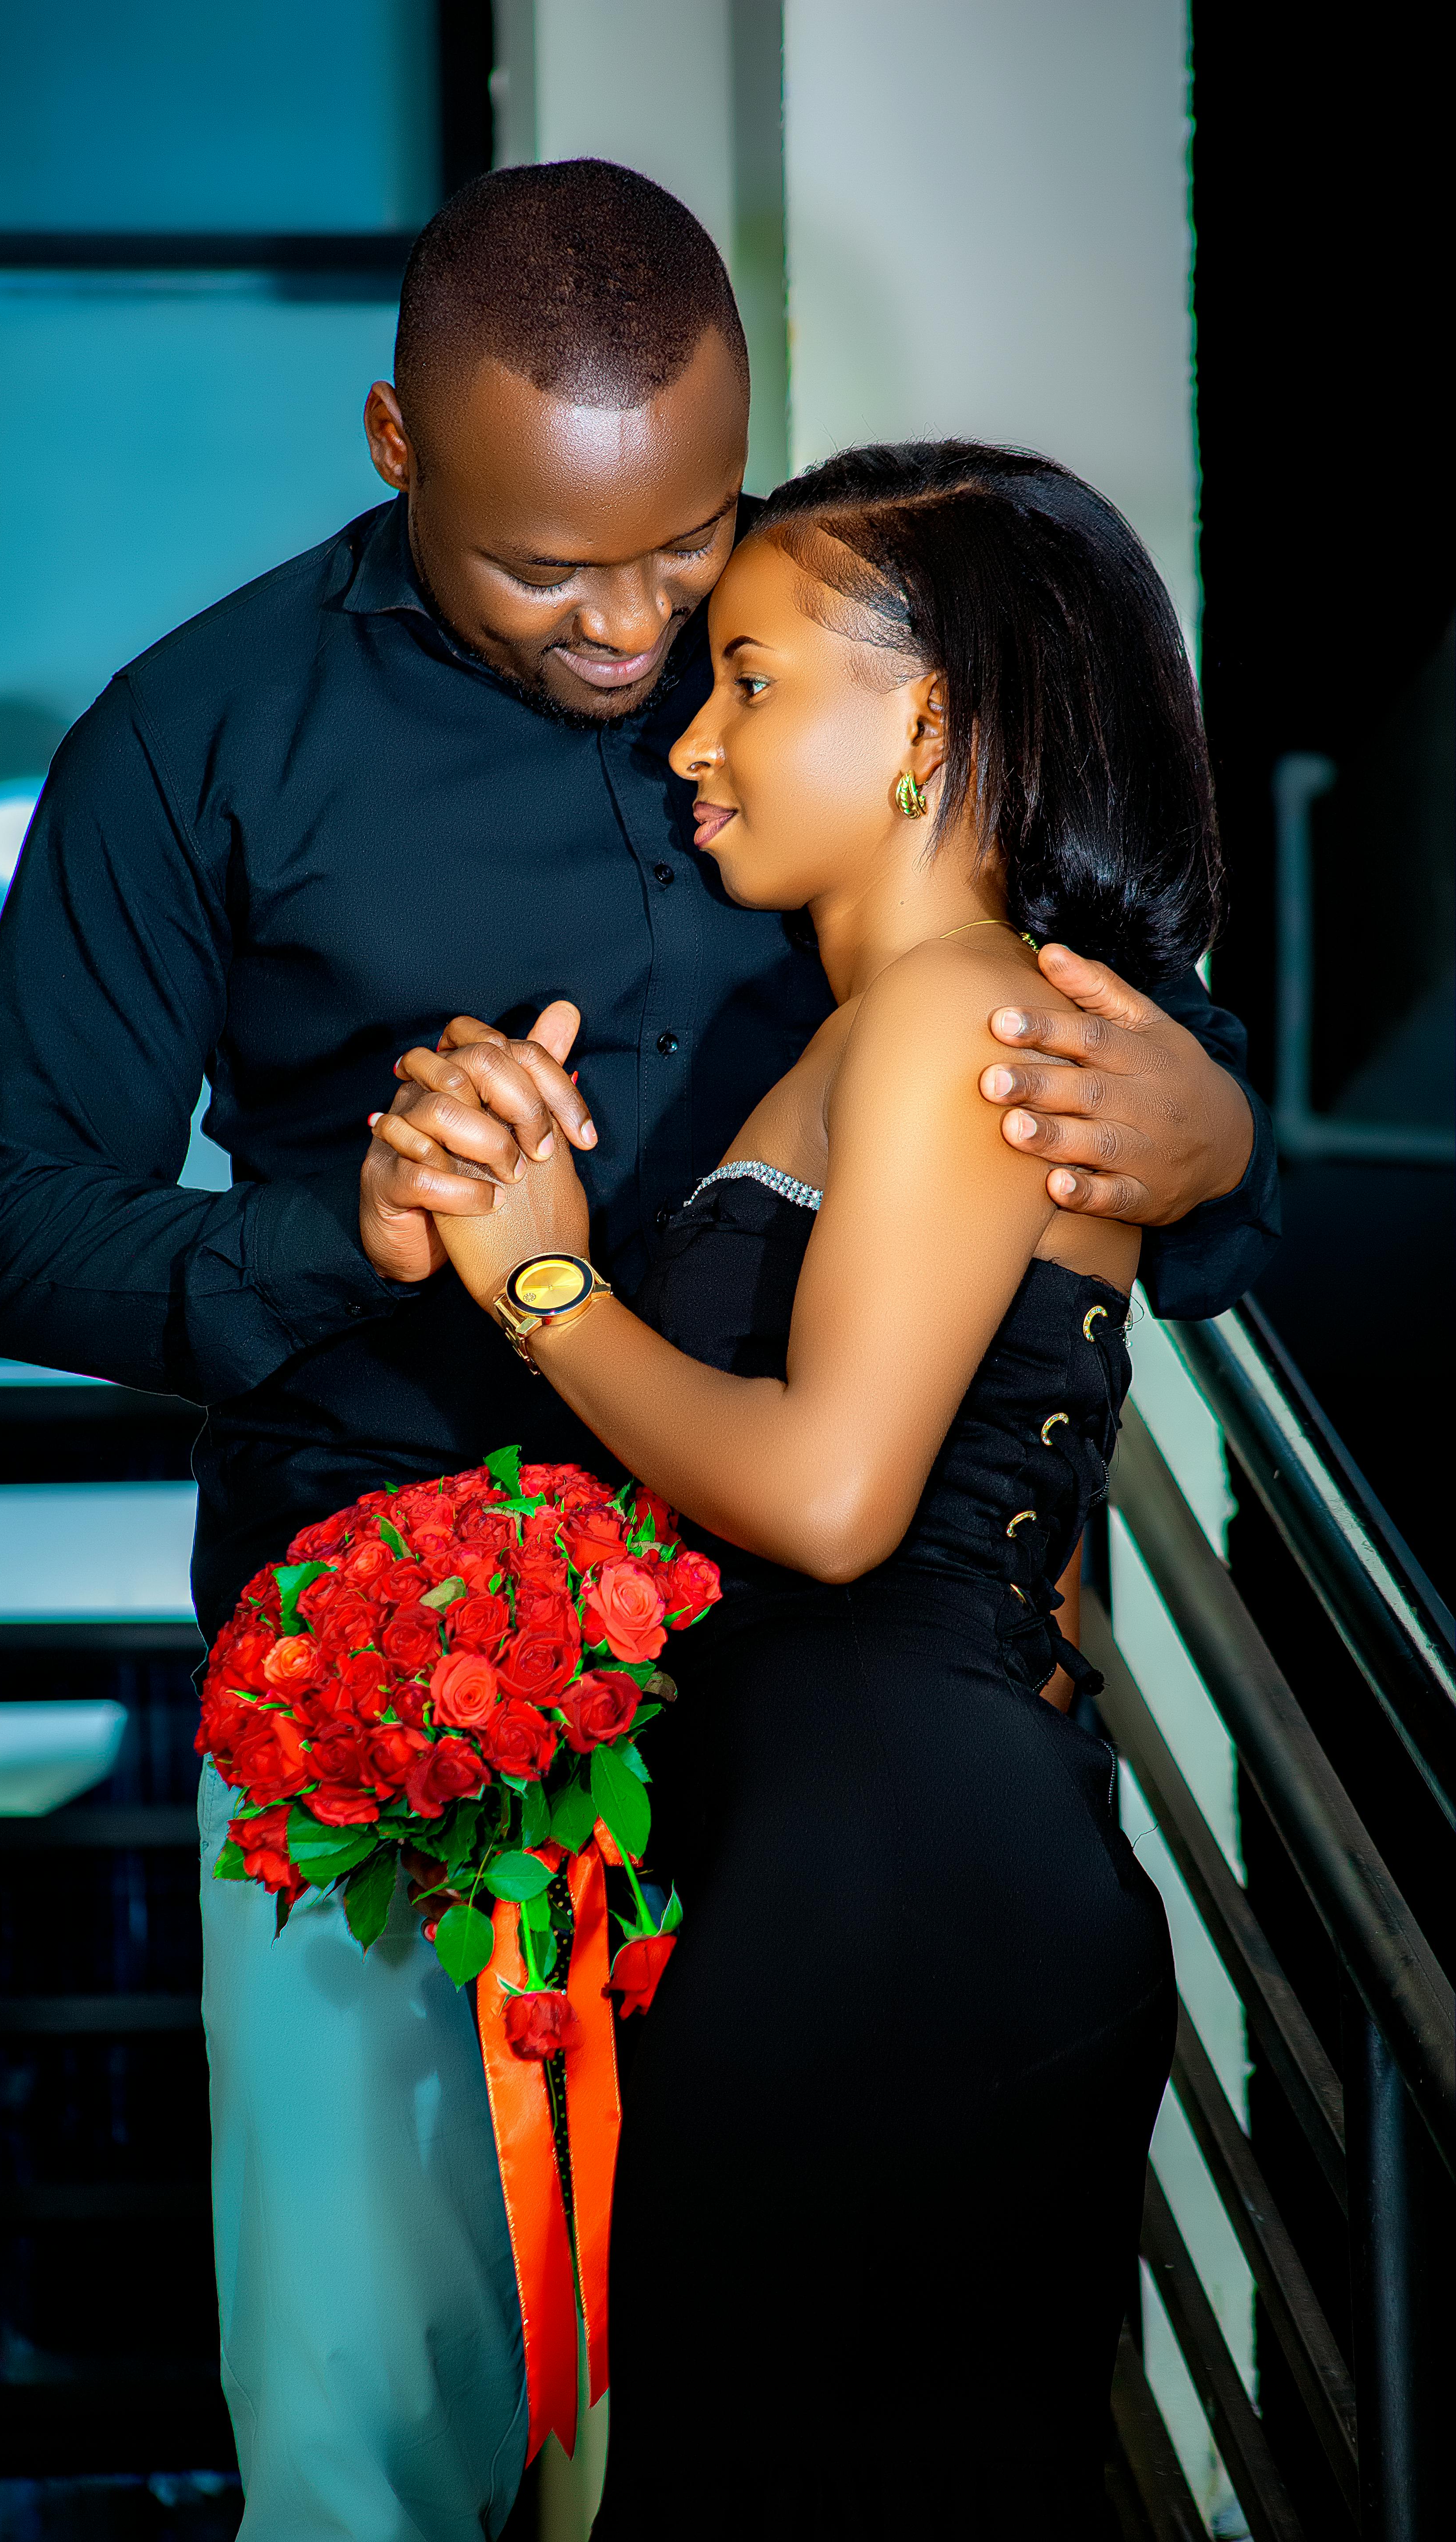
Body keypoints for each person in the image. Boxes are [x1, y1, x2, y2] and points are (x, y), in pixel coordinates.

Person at [0, 161, 1274, 2542]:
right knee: (381, 2439)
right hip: (395, 1683)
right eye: (559, 572)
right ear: (393, 440)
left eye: (694, 554)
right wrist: (350, 1231)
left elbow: (1025, 980)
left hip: (816, 1720)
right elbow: (4, 1232)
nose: (643, 639)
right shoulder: (198, 738)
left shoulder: (820, 668)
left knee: (758, 2426)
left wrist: (1221, 1126)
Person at [382, 440, 1210, 2537]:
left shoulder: (949, 1013)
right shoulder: (883, 1026)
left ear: (929, 718)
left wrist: (546, 1279)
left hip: (898, 1903)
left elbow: (837, 1501)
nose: (694, 736)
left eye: (750, 677)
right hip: (860, 1880)